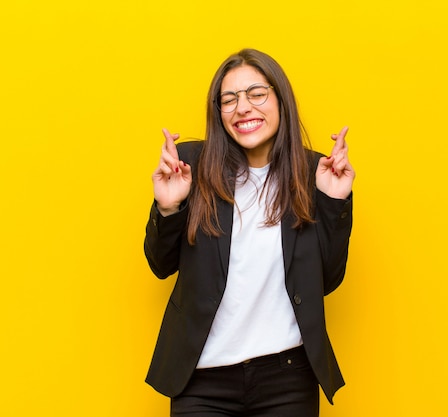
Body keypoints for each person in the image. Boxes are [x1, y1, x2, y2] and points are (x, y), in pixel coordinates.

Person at [144, 48, 355, 417]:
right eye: (229, 99)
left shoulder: (313, 172)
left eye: (256, 93)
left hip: (288, 380)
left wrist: (334, 202)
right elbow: (161, 265)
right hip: (202, 380)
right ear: (219, 112)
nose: (243, 107)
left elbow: (327, 278)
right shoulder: (190, 165)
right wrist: (168, 207)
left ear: (280, 98)